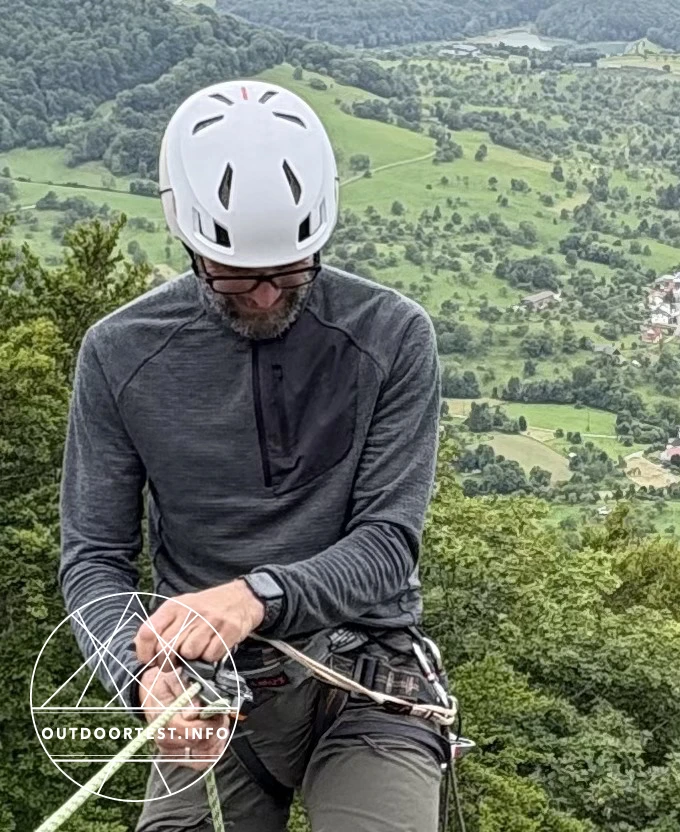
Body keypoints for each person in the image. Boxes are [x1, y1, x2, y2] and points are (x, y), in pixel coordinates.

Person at [58, 79, 447, 831]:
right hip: (206, 685)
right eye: (235, 274)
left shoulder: (392, 336)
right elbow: (95, 556)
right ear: (188, 236)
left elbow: (387, 545)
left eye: (291, 270)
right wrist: (137, 671)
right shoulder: (120, 355)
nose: (267, 297)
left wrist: (255, 595)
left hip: (364, 671)